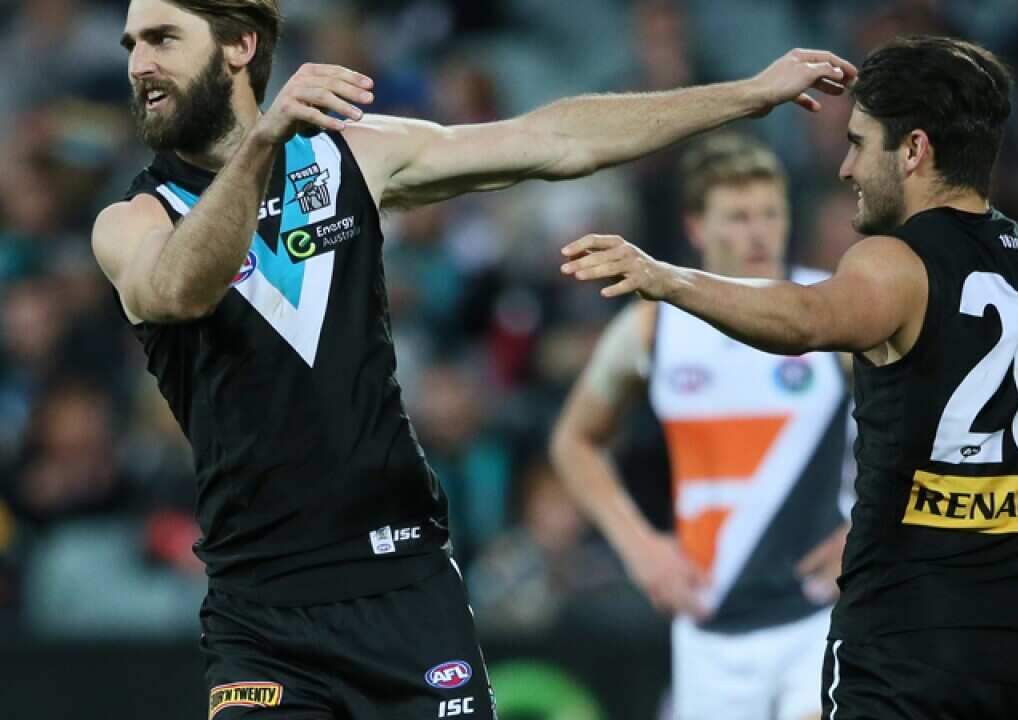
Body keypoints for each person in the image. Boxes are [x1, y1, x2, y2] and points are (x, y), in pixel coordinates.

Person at [90, 1, 857, 717]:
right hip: (261, 611)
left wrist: (745, 95)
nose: (137, 63)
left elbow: (556, 140)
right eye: (131, 45)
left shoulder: (349, 158)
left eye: (162, 38)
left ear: (239, 46)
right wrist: (262, 145)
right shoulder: (132, 222)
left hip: (404, 581)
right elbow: (181, 287)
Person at [559, 0, 1018, 716]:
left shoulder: (895, 267)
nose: (846, 167)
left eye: (859, 143)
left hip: (902, 640)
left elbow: (805, 319)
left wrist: (666, 278)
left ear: (913, 151)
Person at [550, 134, 852, 720]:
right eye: (737, 217)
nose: (759, 233)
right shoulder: (654, 328)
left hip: (818, 616)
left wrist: (870, 529)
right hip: (708, 625)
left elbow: (934, 420)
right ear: (695, 227)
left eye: (770, 213)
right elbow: (574, 441)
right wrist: (639, 547)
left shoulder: (830, 311)